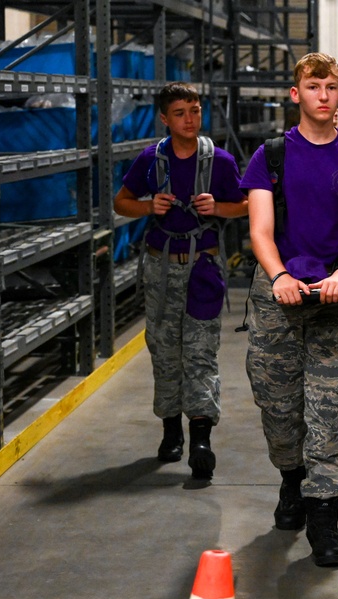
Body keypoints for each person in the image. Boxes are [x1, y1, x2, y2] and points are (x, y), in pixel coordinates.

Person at [240, 52, 338, 567]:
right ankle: (291, 480)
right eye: (314, 85)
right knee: (278, 405)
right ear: (296, 95)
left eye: (332, 86)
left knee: (327, 408)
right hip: (278, 295)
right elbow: (259, 229)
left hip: (335, 297)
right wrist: (279, 277)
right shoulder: (270, 156)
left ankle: (324, 516)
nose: (324, 94)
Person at [113, 82, 247, 479]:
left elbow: (246, 206)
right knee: (165, 350)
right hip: (160, 268)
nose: (190, 119)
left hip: (203, 269)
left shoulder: (219, 162)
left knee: (201, 353)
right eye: (180, 113)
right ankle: (171, 431)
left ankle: (201, 437)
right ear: (164, 118)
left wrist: (219, 207)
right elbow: (121, 202)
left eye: (195, 110)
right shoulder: (151, 161)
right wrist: (146, 206)